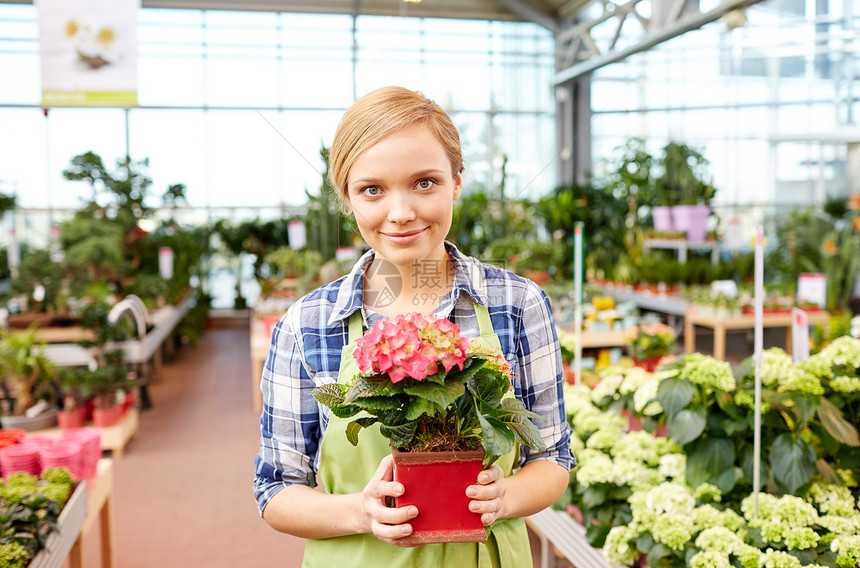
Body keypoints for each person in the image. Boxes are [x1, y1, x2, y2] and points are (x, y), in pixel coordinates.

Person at [254, 85, 575, 567]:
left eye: (425, 182)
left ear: (457, 182)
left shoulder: (517, 304)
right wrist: (361, 512)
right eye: (372, 189)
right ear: (347, 198)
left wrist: (504, 498)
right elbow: (276, 488)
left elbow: (553, 457)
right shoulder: (308, 325)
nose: (401, 213)